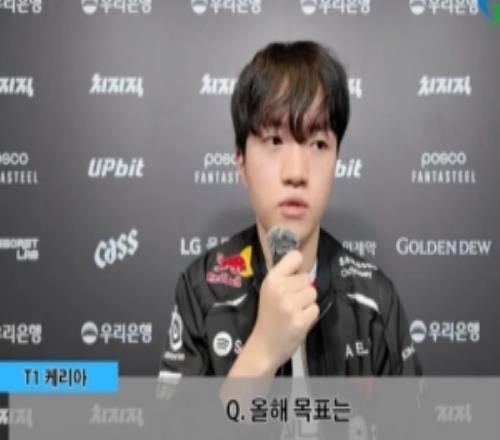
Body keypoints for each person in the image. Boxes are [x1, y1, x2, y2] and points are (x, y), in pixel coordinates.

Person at [159, 41, 422, 378]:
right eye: (274, 141)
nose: (296, 172)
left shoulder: (375, 300)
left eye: (318, 144)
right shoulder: (202, 291)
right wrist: (263, 351)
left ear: (337, 163)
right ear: (240, 163)